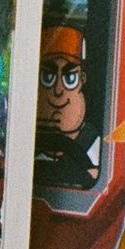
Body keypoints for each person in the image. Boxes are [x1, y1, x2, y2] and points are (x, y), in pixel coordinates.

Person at [34, 20, 101, 192]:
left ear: (83, 81)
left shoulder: (96, 146)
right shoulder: (27, 143)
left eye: (69, 79)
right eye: (47, 78)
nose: (58, 90)